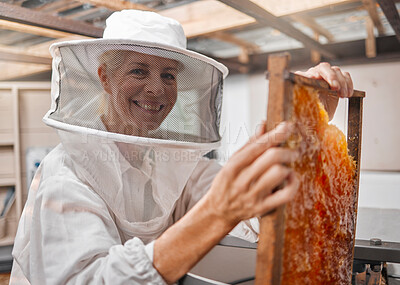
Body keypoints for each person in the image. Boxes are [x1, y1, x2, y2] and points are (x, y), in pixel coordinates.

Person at [10, 9, 353, 285]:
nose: (156, 90)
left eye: (169, 75)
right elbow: (87, 279)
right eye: (139, 71)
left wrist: (312, 115)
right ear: (104, 77)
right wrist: (217, 212)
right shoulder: (66, 175)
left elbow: (261, 208)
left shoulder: (175, 162)